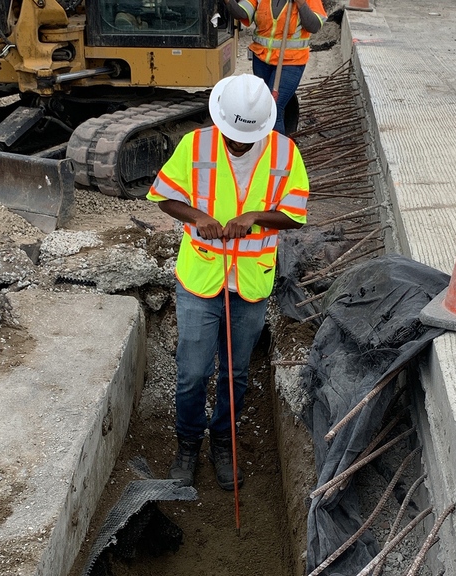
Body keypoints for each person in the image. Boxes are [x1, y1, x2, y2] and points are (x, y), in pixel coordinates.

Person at [147, 74, 310, 490]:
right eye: (231, 136)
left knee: (235, 375)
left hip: (251, 282)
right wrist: (197, 217)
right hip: (202, 275)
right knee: (192, 372)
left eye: (245, 138)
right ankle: (188, 445)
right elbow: (164, 195)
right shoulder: (196, 145)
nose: (237, 144)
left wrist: (254, 217)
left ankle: (224, 442)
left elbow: (294, 213)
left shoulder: (284, 152)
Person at [223, 0, 327, 135]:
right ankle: (260, 143)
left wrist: (301, 4)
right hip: (261, 59)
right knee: (261, 106)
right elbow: (242, 12)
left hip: (291, 62)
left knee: (273, 109)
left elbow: (314, 26)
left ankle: (278, 152)